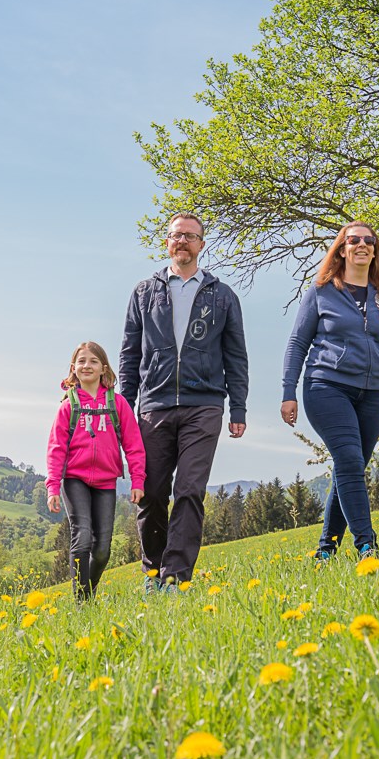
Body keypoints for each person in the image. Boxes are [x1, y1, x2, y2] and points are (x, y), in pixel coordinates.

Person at [120, 212, 249, 591]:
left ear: (201, 245)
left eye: (191, 237)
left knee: (190, 490)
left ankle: (177, 577)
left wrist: (238, 407)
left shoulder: (222, 296)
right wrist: (124, 409)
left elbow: (236, 355)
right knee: (153, 493)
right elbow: (129, 354)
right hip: (153, 406)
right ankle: (153, 573)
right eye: (177, 236)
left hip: (204, 404)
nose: (183, 242)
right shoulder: (144, 292)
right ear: (167, 243)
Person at [280, 222, 379, 562]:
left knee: (351, 467)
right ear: (342, 249)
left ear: (375, 250)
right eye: (354, 240)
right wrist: (288, 391)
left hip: (374, 393)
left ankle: (326, 550)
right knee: (349, 460)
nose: (362, 245)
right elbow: (297, 343)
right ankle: (367, 545)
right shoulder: (321, 291)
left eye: (369, 240)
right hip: (327, 386)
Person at [46, 342, 147, 600]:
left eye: (92, 361)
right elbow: (56, 447)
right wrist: (52, 486)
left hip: (105, 481)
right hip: (74, 479)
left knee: (102, 550)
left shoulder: (118, 403)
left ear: (104, 368)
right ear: (74, 369)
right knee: (82, 537)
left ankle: (86, 594)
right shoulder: (68, 405)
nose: (86, 365)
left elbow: (134, 445)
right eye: (81, 361)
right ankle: (82, 604)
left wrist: (138, 480)